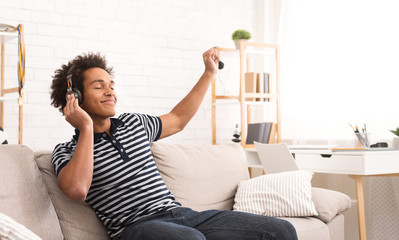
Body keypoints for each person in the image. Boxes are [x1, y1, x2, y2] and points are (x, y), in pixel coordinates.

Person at [50, 48, 298, 240]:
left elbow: (178, 119)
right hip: (137, 228)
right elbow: (78, 189)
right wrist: (86, 128)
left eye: (111, 85)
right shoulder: (66, 152)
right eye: (98, 86)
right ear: (75, 97)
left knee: (280, 230)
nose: (110, 91)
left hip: (183, 216)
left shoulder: (134, 123)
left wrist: (209, 73)